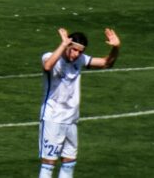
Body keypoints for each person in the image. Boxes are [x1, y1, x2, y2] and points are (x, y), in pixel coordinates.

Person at [39, 27, 122, 178]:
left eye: (80, 52)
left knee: (69, 162)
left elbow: (105, 63)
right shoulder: (50, 57)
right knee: (48, 164)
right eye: (74, 50)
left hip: (71, 119)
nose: (77, 55)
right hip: (53, 119)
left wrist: (116, 48)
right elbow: (47, 66)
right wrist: (63, 45)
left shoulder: (80, 59)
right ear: (68, 46)